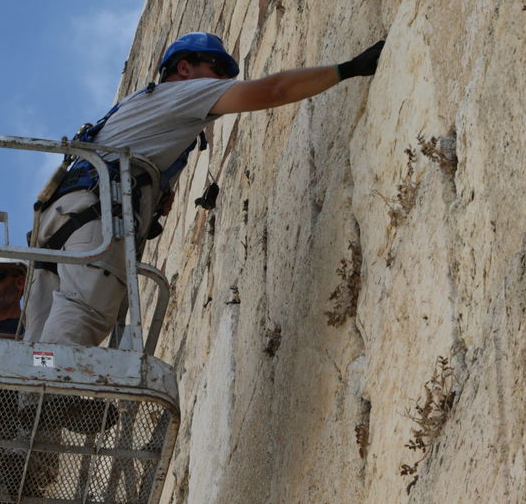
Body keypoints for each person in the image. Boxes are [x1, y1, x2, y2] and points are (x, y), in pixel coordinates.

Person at [25, 32, 385, 347]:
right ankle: (53, 391)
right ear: (184, 69)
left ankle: (31, 402)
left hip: (58, 218)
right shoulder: (179, 95)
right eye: (217, 71)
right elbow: (274, 90)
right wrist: (349, 68)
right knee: (84, 307)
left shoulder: (138, 107)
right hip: (93, 213)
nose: (222, 82)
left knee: (38, 334)